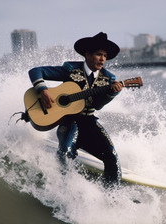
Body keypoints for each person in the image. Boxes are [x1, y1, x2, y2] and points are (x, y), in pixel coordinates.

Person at [28, 32, 123, 185]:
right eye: (99, 54)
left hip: (89, 123)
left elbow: (98, 105)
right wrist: (43, 90)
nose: (103, 59)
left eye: (105, 56)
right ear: (88, 54)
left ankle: (113, 197)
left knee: (112, 157)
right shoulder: (71, 70)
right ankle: (67, 189)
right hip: (69, 121)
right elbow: (35, 71)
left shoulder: (108, 79)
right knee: (65, 153)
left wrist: (112, 93)